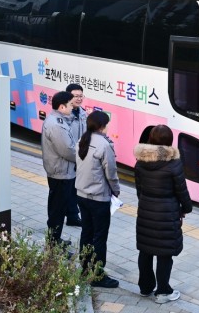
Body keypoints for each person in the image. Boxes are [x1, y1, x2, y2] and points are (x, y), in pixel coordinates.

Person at [133, 125, 193, 304]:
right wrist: (186, 208)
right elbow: (182, 191)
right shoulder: (174, 164)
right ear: (169, 141)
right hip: (167, 214)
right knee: (164, 254)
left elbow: (139, 190)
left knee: (145, 251)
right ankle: (163, 292)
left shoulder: (140, 161)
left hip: (146, 212)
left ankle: (145, 288)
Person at [76, 110, 121, 289]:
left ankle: (85, 269)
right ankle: (98, 275)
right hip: (98, 197)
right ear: (102, 126)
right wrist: (116, 190)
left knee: (86, 232)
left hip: (81, 194)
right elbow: (111, 172)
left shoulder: (83, 139)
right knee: (100, 237)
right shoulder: (104, 144)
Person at [41, 91, 77, 247]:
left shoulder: (55, 120)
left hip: (59, 171)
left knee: (57, 208)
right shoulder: (57, 125)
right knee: (57, 209)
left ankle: (54, 239)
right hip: (61, 173)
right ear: (62, 107)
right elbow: (67, 151)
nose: (72, 107)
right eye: (70, 105)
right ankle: (53, 242)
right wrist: (81, 158)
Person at [64, 83, 87, 227]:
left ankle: (73, 216)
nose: (79, 99)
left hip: (80, 157)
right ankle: (70, 216)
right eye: (75, 96)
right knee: (67, 190)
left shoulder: (83, 113)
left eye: (81, 96)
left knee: (76, 189)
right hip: (68, 159)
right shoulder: (64, 115)